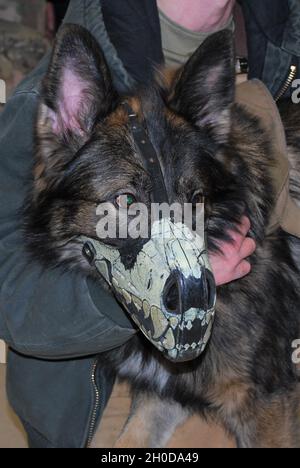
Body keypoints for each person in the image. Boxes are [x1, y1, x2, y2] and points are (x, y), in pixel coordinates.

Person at [1, 0, 295, 448]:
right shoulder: (69, 84)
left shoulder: (279, 37)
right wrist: (134, 290)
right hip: (98, 395)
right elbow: (10, 291)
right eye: (127, 202)